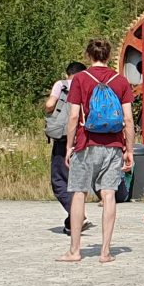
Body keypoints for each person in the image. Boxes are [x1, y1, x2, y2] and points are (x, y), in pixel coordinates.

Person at [57, 39, 134, 263]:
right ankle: (106, 252)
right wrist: (128, 149)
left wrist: (70, 146)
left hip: (86, 143)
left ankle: (75, 250)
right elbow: (128, 119)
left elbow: (73, 116)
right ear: (109, 56)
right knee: (108, 194)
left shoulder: (80, 79)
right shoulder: (120, 81)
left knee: (79, 193)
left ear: (88, 56)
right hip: (113, 146)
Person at [45, 61, 93, 235]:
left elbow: (50, 104)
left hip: (65, 137)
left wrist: (48, 108)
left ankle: (78, 216)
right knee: (77, 182)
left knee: (59, 181)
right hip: (86, 137)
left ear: (68, 74)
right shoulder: (90, 85)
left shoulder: (62, 84)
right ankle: (72, 223)